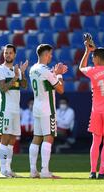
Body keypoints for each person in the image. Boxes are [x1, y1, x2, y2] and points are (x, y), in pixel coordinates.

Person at [79, 39, 104, 179]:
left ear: (97, 58)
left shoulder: (92, 71)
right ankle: (102, 172)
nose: (92, 59)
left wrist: (87, 51)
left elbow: (81, 67)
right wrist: (94, 49)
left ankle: (92, 172)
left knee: (96, 142)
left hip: (96, 112)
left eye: (93, 57)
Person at [29, 44, 67, 178]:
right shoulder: (46, 70)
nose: (51, 56)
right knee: (48, 138)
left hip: (37, 106)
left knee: (36, 138)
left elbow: (46, 81)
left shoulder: (33, 69)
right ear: (45, 54)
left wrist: (54, 74)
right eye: (50, 54)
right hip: (47, 108)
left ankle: (33, 171)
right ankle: (45, 171)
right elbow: (61, 89)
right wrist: (60, 75)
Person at [0, 44, 28, 177]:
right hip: (5, 109)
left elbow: (24, 86)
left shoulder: (17, 70)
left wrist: (23, 73)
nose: (8, 55)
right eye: (6, 53)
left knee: (13, 140)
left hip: (15, 109)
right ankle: (3, 170)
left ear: (14, 55)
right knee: (5, 138)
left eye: (10, 53)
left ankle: (8, 169)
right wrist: (14, 78)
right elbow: (2, 88)